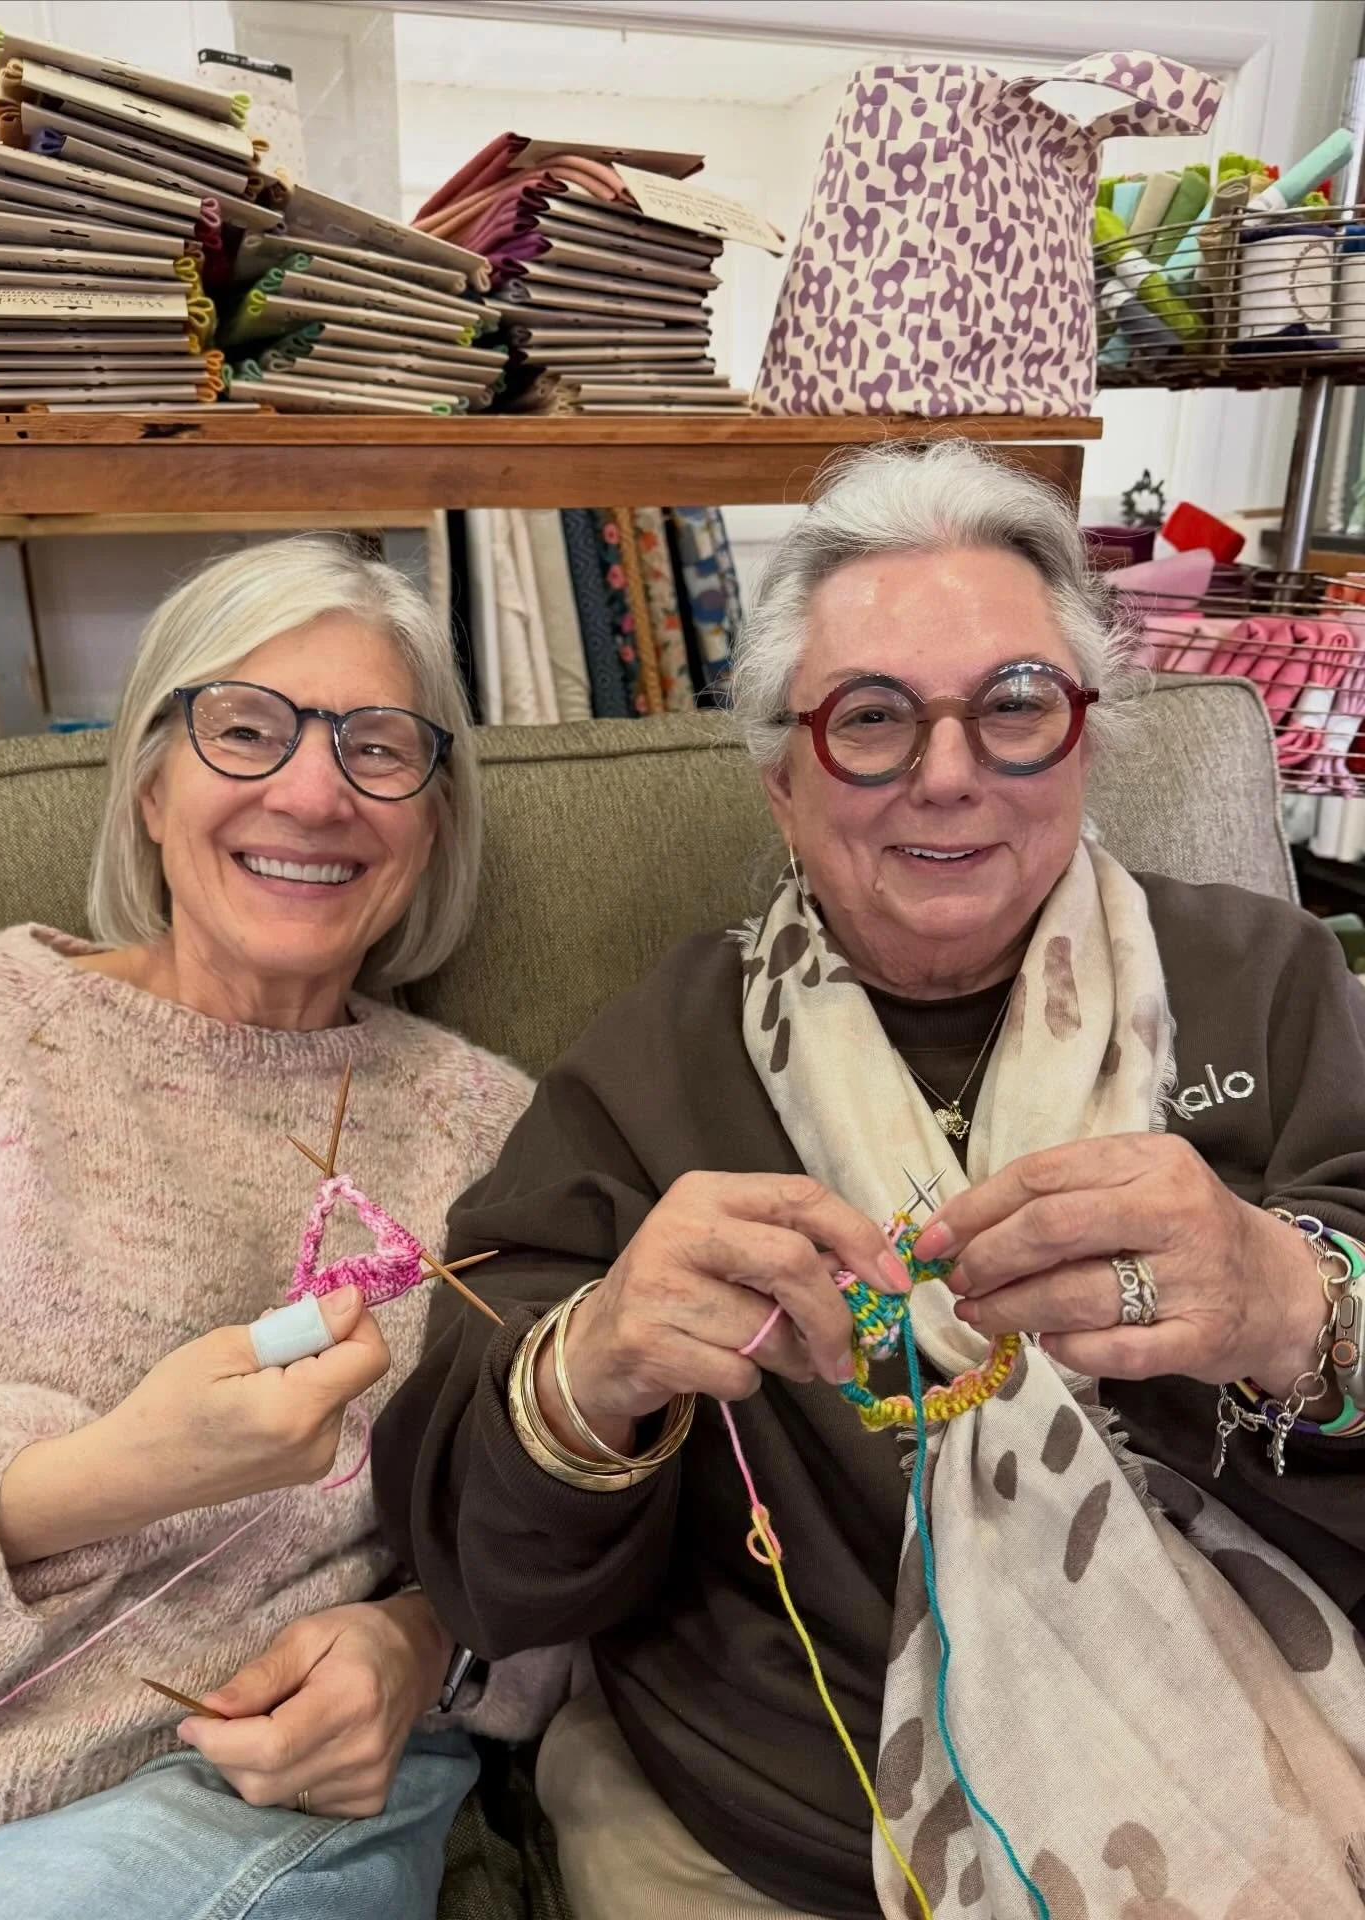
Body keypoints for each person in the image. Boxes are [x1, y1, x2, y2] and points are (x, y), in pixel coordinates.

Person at [376, 443, 1365, 1920]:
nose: (950, 771)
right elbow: (479, 1544)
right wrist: (591, 1371)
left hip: (1270, 1737)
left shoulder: (1267, 981)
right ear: (783, 784)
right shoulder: (661, 1059)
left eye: (1016, 706)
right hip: (797, 1812)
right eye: (874, 719)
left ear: (1084, 741)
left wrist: (1300, 1306)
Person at [0, 537, 539, 1919]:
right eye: (245, 729)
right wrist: (99, 1477)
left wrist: (421, 1643)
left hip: (226, 1799)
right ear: (148, 782)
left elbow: (572, 1533)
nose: (313, 791)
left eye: (379, 748)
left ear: (434, 819)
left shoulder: (493, 1132)